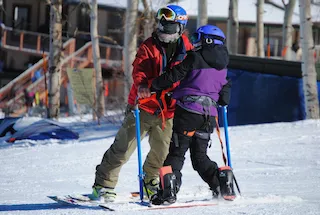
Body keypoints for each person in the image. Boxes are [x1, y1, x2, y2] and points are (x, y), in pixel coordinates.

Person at [91, 5, 193, 202]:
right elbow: (139, 70)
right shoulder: (148, 46)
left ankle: (150, 182)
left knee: (162, 152)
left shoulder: (187, 49)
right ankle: (103, 184)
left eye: (169, 27)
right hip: (143, 106)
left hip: (168, 111)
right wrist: (143, 85)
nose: (163, 31)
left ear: (180, 28)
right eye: (161, 25)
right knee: (123, 148)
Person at [149, 25, 235, 205]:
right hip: (209, 117)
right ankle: (222, 185)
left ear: (207, 40)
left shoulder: (194, 57)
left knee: (177, 153)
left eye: (198, 37)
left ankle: (168, 192)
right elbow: (224, 99)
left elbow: (174, 75)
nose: (195, 41)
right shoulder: (224, 65)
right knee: (200, 157)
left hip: (188, 113)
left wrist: (153, 85)